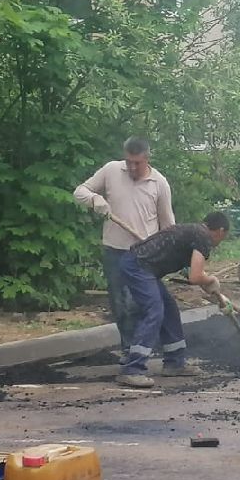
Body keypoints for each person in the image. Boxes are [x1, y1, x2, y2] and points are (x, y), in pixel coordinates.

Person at [73, 137, 175, 352]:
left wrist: (168, 255)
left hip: (144, 254)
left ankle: (141, 349)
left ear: (147, 159)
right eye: (129, 161)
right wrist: (95, 200)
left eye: (137, 163)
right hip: (115, 252)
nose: (132, 167)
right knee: (120, 305)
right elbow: (80, 192)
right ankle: (130, 351)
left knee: (140, 303)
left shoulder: (159, 183)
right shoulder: (111, 170)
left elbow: (168, 226)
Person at [116, 213, 229, 389]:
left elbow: (194, 273)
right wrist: (211, 280)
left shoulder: (194, 232)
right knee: (154, 310)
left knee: (169, 310)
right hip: (138, 266)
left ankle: (175, 363)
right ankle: (132, 370)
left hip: (142, 266)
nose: (220, 242)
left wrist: (210, 286)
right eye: (224, 237)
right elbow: (195, 277)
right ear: (221, 231)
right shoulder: (203, 237)